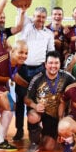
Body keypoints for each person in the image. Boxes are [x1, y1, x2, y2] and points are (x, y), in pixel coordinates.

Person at [13, 7, 55, 141]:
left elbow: (51, 52)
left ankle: (34, 130)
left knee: (37, 101)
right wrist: (23, 8)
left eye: (43, 17)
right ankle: (19, 130)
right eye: (38, 16)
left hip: (39, 70)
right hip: (23, 68)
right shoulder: (26, 27)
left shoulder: (49, 34)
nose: (40, 19)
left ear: (46, 18)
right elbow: (20, 12)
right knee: (20, 100)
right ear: (33, 16)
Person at [24, 51, 75, 152]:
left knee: (49, 147)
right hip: (41, 113)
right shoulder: (37, 78)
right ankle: (34, 142)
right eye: (50, 63)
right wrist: (35, 105)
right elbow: (26, 98)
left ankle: (48, 133)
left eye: (56, 63)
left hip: (56, 116)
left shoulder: (66, 77)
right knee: (32, 116)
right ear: (45, 64)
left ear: (60, 64)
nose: (53, 66)